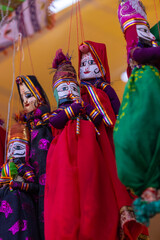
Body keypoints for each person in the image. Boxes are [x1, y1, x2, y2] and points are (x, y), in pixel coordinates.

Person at [44, 49, 148, 240]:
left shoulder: (96, 95)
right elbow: (54, 122)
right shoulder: (59, 112)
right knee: (66, 198)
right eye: (62, 88)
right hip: (64, 156)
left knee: (94, 191)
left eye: (72, 87)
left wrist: (88, 109)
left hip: (91, 146)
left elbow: (104, 117)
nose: (69, 91)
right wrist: (76, 108)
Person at [113, 0, 160, 223]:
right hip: (147, 85)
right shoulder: (139, 56)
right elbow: (139, 55)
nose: (147, 35)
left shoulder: (132, 173)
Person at [15, 75, 53, 240]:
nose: (25, 101)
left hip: (49, 182)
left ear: (40, 96)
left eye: (29, 95)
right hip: (32, 185)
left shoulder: (49, 122)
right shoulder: (25, 129)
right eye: (22, 97)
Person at [0, 122, 39, 239]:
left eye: (17, 147)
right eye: (10, 148)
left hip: (21, 206)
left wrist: (18, 185)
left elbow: (34, 186)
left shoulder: (24, 168)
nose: (12, 152)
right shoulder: (3, 167)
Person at [78, 40, 120, 150]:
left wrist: (119, 119)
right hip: (87, 127)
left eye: (91, 63)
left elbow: (114, 101)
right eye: (83, 64)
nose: (86, 68)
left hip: (105, 125)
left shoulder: (103, 87)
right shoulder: (80, 90)